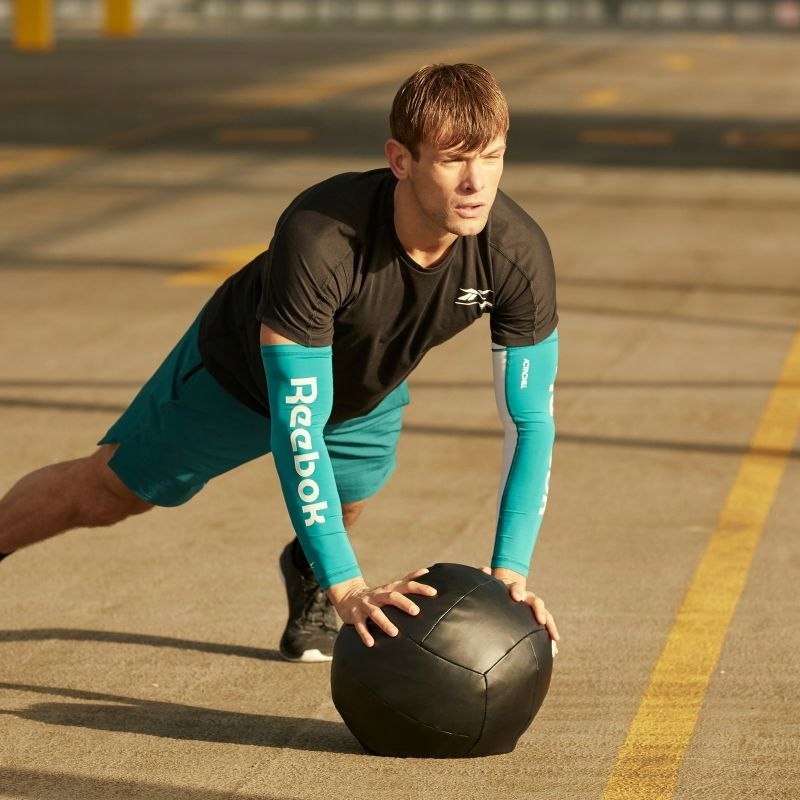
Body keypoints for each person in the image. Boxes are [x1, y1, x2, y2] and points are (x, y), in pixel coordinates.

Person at [0, 63, 560, 663]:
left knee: (348, 496)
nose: (477, 182)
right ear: (401, 160)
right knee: (108, 496)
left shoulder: (514, 253)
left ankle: (306, 568)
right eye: (453, 160)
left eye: (492, 157)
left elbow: (529, 423)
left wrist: (509, 576)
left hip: (365, 388)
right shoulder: (323, 236)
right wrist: (349, 587)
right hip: (237, 378)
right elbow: (298, 426)